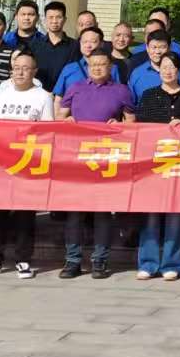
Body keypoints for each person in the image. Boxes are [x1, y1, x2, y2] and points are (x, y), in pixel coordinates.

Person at [57, 49, 135, 279]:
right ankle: (72, 260)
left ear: (110, 67)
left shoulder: (121, 90)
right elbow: (60, 117)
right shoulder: (76, 87)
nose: (97, 68)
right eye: (93, 64)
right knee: (75, 213)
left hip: (106, 159)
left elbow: (132, 123)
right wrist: (67, 120)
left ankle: (100, 260)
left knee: (102, 213)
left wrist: (120, 125)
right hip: (77, 159)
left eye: (102, 64)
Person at [0, 51, 53, 278]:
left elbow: (47, 131)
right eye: (16, 68)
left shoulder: (43, 97)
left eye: (25, 68)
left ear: (34, 72)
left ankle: (23, 259)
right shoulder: (3, 94)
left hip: (27, 163)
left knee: (24, 214)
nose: (20, 72)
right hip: (1, 162)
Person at [134, 51, 180, 280]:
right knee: (151, 215)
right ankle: (148, 263)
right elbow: (141, 128)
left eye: (172, 67)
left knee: (175, 215)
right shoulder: (148, 95)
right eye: (163, 67)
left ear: (179, 71)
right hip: (153, 164)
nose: (168, 71)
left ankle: (172, 263)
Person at [51, 27, 111, 112]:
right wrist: (58, 117)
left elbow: (118, 95)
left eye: (93, 42)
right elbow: (58, 100)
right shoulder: (69, 69)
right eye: (84, 42)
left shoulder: (111, 68)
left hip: (102, 118)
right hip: (71, 118)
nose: (88, 45)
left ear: (101, 44)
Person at [29, 2, 80, 90]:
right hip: (38, 93)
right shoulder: (34, 45)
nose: (54, 21)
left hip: (65, 94)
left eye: (58, 17)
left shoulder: (75, 46)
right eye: (51, 17)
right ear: (45, 20)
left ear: (65, 19)